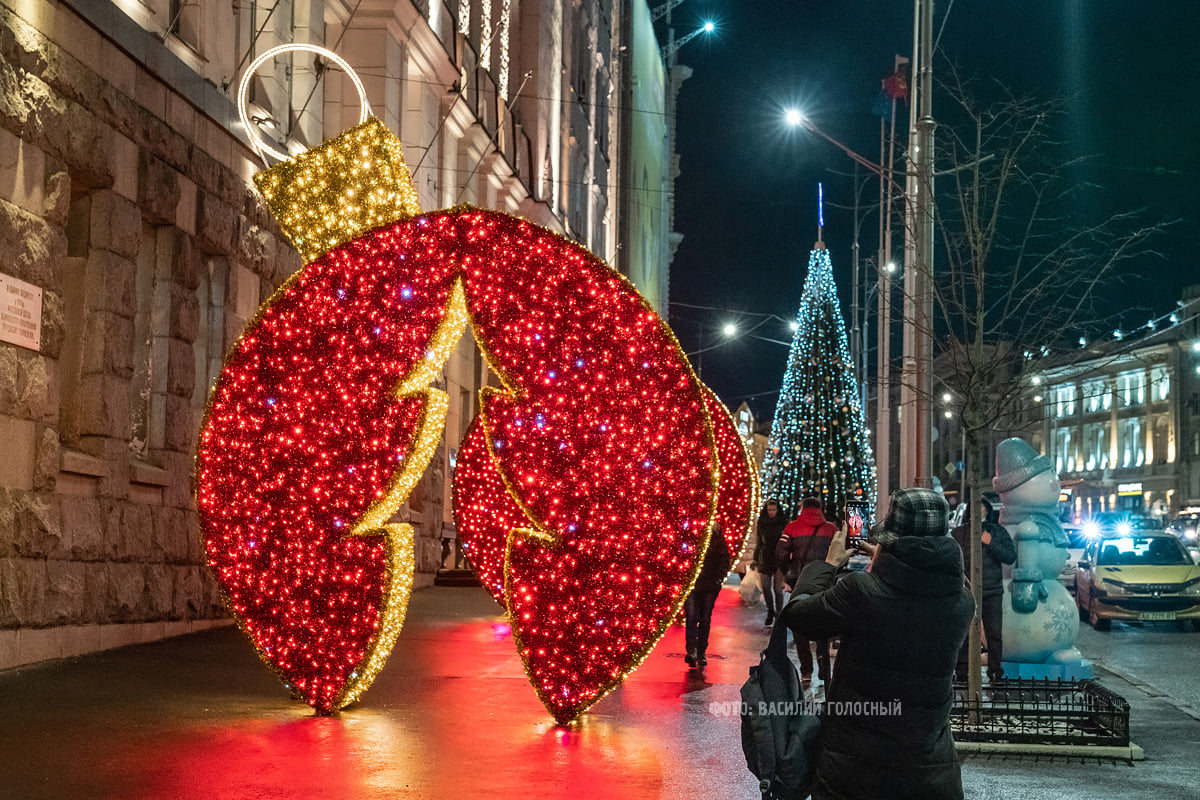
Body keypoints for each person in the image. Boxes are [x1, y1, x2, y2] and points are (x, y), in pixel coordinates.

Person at [779, 488, 974, 800]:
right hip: (931, 774)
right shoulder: (962, 602)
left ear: (891, 539)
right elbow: (929, 579)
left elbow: (799, 615)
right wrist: (887, 558)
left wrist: (827, 564)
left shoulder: (862, 592)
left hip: (855, 774)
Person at [951, 496, 1016, 683]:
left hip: (992, 592)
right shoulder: (959, 533)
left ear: (988, 511)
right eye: (976, 508)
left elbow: (1010, 556)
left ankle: (995, 672)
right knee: (964, 632)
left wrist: (990, 542)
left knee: (994, 634)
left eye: (983, 509)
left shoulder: (997, 532)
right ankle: (962, 672)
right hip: (967, 593)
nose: (980, 512)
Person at [776, 496, 836, 685]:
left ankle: (806, 671)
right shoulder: (831, 529)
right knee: (823, 623)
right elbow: (840, 556)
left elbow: (780, 553)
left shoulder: (792, 527)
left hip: (799, 582)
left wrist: (788, 574)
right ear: (821, 509)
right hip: (824, 583)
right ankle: (824, 667)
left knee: (800, 624)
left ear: (803, 508)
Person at [684, 524, 731, 667]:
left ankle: (700, 651)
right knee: (692, 617)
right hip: (694, 584)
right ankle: (692, 650)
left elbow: (724, 561)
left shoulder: (718, 541)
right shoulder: (691, 537)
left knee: (704, 618)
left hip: (709, 585)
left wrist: (718, 579)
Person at [752, 499, 788, 626]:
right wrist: (755, 559)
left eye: (773, 510)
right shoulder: (762, 523)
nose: (771, 512)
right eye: (769, 510)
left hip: (779, 558)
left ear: (777, 510)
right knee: (765, 586)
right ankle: (770, 610)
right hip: (765, 558)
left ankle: (779, 613)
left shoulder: (783, 523)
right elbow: (759, 543)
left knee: (778, 589)